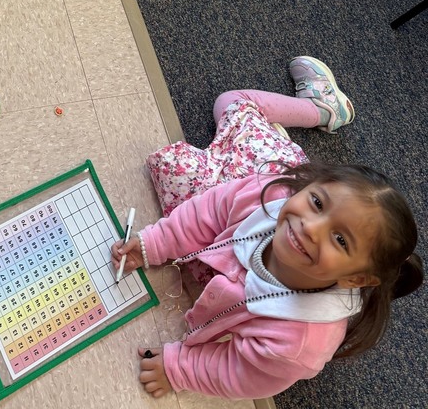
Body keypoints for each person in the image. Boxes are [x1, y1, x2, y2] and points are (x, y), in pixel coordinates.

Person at [110, 57, 424, 401]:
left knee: (181, 171)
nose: (310, 228)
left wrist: (178, 368)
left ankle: (310, 132)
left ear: (356, 280)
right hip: (270, 170)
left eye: (339, 240)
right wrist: (153, 243)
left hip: (265, 187)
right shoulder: (276, 194)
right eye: (317, 204)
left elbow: (238, 374)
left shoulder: (299, 343)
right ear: (307, 190)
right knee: (231, 103)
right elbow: (207, 211)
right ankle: (320, 110)